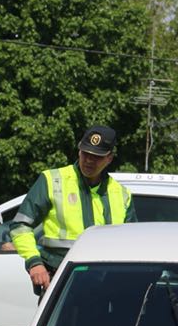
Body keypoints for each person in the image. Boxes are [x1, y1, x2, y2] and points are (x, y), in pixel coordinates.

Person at [11, 125, 137, 291]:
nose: (89, 160)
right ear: (79, 150)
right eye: (86, 153)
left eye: (97, 156)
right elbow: (20, 226)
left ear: (109, 158)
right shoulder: (53, 180)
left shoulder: (122, 194)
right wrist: (34, 262)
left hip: (107, 285)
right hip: (61, 280)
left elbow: (132, 244)